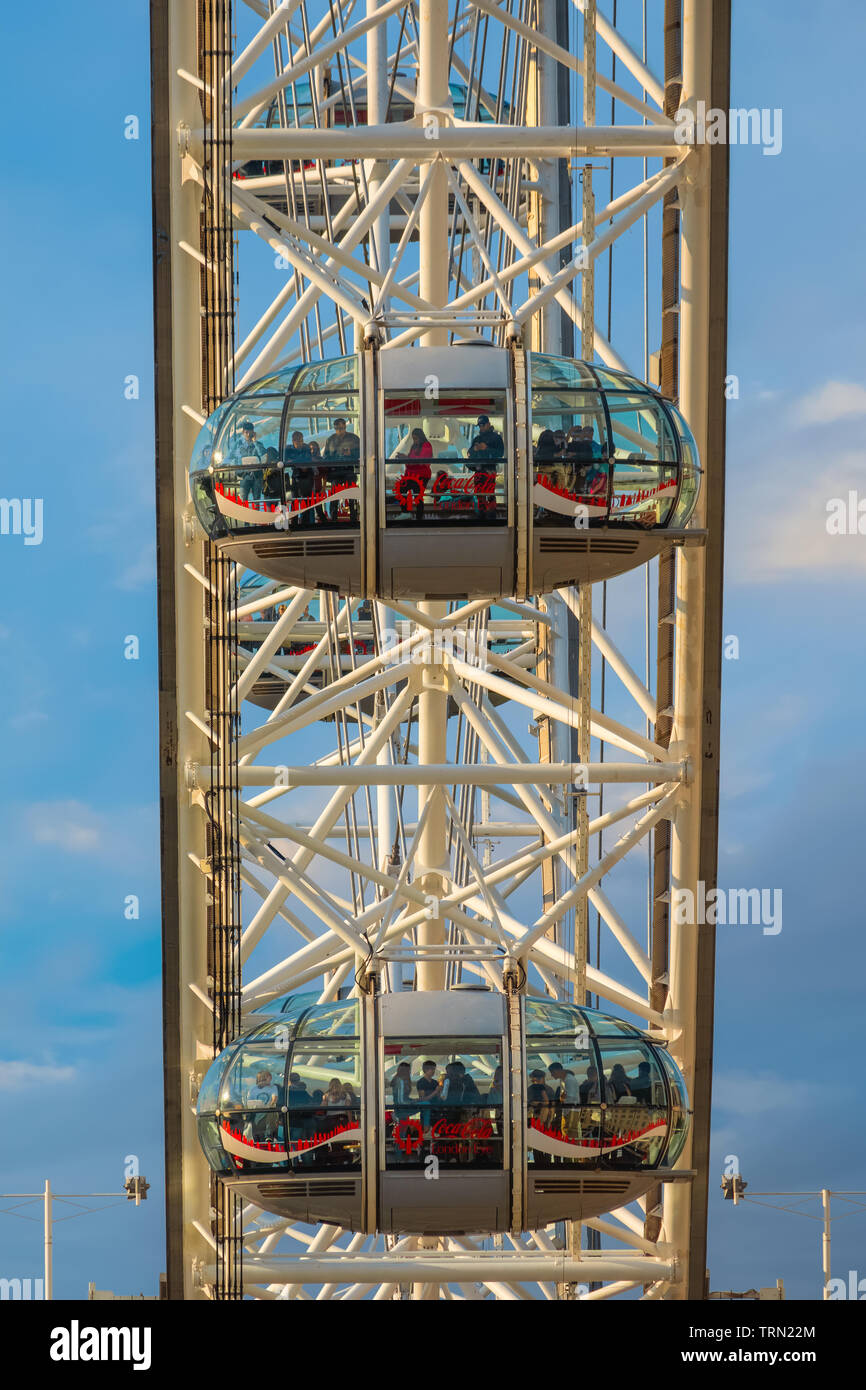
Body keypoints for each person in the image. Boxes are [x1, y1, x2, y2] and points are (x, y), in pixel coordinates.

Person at [399, 428, 433, 519]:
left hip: (421, 475)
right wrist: (405, 458)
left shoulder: (426, 446)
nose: (415, 440)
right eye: (413, 438)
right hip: (412, 474)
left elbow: (420, 461)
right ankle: (406, 512)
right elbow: (412, 461)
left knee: (417, 495)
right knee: (403, 490)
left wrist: (406, 459)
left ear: (421, 437)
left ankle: (418, 517)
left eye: (416, 438)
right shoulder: (414, 446)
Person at [230, 419, 265, 502]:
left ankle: (256, 513)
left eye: (250, 432)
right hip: (244, 475)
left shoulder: (258, 444)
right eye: (246, 432)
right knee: (243, 499)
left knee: (257, 499)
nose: (248, 434)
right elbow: (233, 457)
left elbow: (262, 454)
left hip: (256, 476)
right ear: (243, 433)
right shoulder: (238, 445)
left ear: (253, 432)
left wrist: (255, 442)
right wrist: (238, 471)